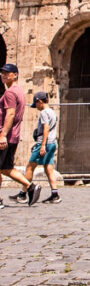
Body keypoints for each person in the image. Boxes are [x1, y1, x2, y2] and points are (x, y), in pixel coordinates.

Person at [0, 64, 41, 207]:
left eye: (7, 73)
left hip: (6, 136)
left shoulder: (10, 93)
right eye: (2, 73)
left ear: (15, 75)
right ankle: (30, 187)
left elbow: (10, 114)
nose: (3, 75)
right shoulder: (19, 91)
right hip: (14, 135)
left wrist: (3, 134)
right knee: (5, 168)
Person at [13, 92, 60, 204]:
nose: (36, 107)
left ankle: (23, 193)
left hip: (44, 144)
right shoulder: (53, 112)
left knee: (30, 167)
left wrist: (42, 145)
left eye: (36, 104)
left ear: (40, 101)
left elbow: (46, 128)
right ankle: (55, 194)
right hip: (53, 143)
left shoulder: (44, 113)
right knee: (49, 169)